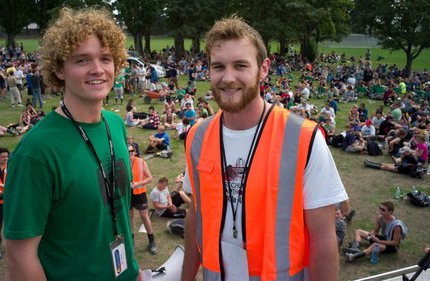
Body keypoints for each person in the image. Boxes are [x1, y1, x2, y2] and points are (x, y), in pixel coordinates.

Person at [182, 16, 347, 281]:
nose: (228, 78)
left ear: (264, 68)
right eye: (218, 66)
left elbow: (323, 238)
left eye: (240, 66)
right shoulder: (198, 136)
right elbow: (195, 215)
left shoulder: (304, 138)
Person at [3, 8, 139, 281]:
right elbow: (20, 256)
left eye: (106, 58)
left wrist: (132, 270)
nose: (98, 69)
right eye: (82, 60)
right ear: (58, 69)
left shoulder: (115, 124)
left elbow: (121, 211)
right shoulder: (37, 151)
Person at [128, 144, 157, 255]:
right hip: (128, 194)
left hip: (140, 193)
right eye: (128, 151)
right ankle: (131, 241)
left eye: (132, 151)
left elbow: (150, 178)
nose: (130, 153)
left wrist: (138, 184)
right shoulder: (121, 162)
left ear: (135, 151)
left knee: (144, 217)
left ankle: (152, 242)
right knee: (130, 217)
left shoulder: (141, 162)